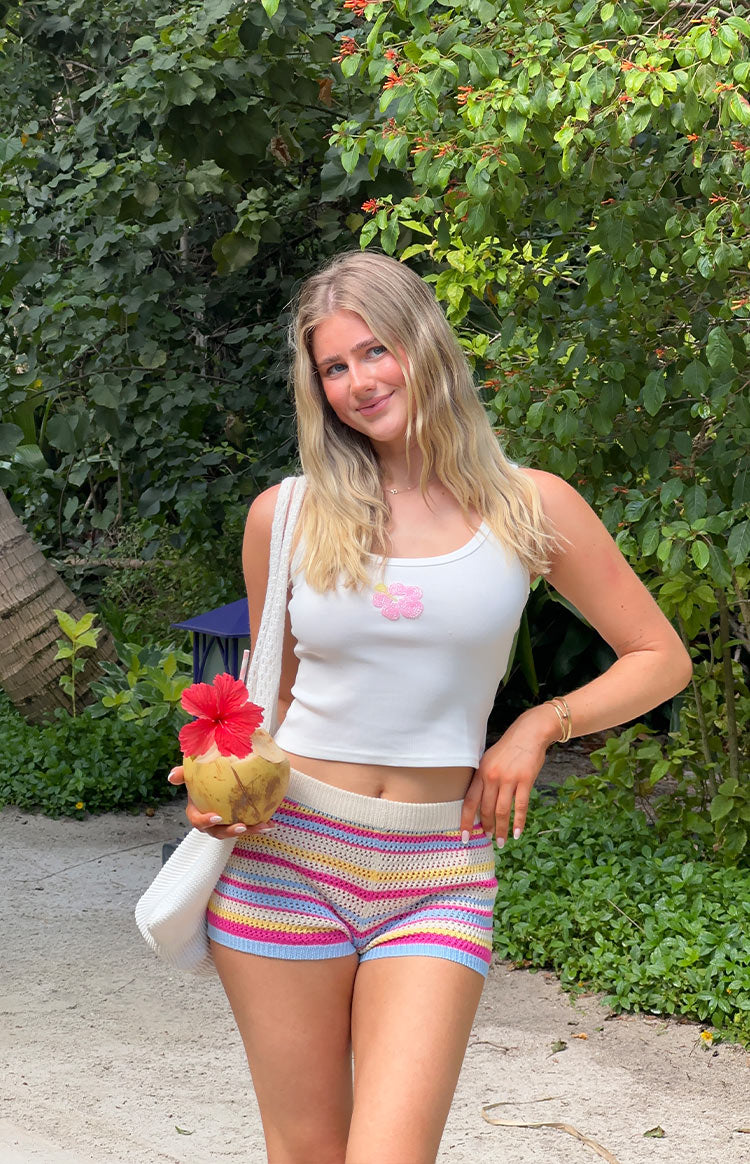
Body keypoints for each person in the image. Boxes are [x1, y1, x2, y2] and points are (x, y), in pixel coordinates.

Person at [168, 250, 692, 1164]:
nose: (359, 383)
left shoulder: (531, 507)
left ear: (424, 346)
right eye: (333, 367)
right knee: (306, 1149)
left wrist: (537, 725)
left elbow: (661, 659)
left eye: (374, 352)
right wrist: (219, 782)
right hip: (287, 855)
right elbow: (268, 697)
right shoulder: (284, 515)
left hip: (438, 869)